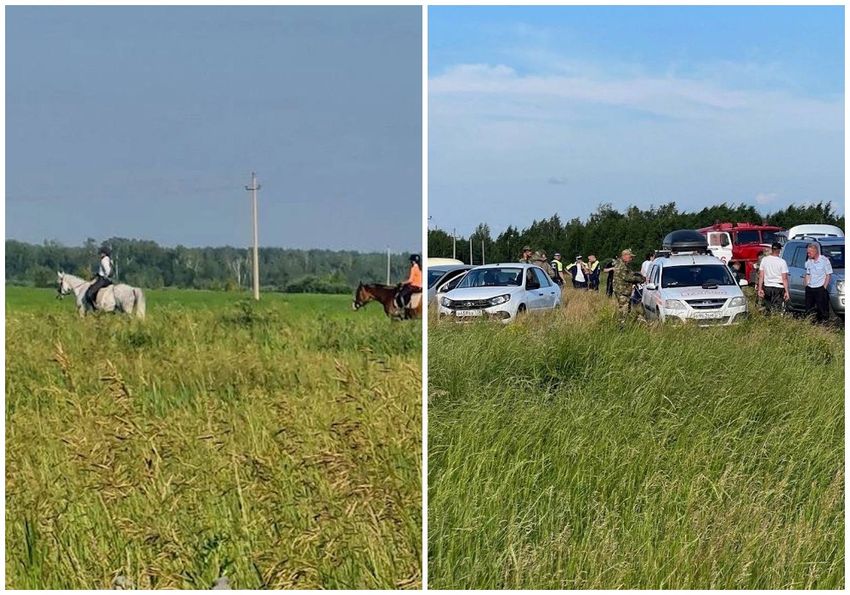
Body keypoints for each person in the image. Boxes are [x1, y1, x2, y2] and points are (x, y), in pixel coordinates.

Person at [757, 242, 789, 316]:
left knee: (767, 308)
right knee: (777, 308)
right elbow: (784, 278)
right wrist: (787, 291)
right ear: (779, 251)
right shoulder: (782, 262)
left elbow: (761, 276)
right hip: (778, 287)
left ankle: (768, 322)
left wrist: (760, 289)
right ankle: (775, 322)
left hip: (767, 286)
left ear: (772, 250)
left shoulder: (765, 260)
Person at [804, 242, 832, 323]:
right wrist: (806, 284)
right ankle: (811, 325)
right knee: (809, 310)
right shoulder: (809, 261)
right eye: (807, 253)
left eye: (810, 252)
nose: (808, 254)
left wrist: (824, 287)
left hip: (820, 288)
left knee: (822, 310)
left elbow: (828, 275)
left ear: (815, 251)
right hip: (810, 288)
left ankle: (824, 325)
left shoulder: (824, 260)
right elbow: (808, 273)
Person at [612, 249, 644, 322]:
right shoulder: (621, 266)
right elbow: (627, 277)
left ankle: (623, 324)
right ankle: (622, 327)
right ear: (624, 256)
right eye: (630, 257)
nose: (631, 259)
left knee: (626, 309)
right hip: (622, 292)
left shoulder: (623, 265)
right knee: (624, 310)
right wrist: (640, 279)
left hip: (624, 291)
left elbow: (630, 274)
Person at [84, 245, 113, 311]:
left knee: (89, 293)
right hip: (106, 279)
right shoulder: (109, 260)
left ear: (104, 253)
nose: (100, 254)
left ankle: (95, 308)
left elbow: (107, 271)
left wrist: (103, 276)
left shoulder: (104, 260)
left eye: (101, 253)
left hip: (103, 280)